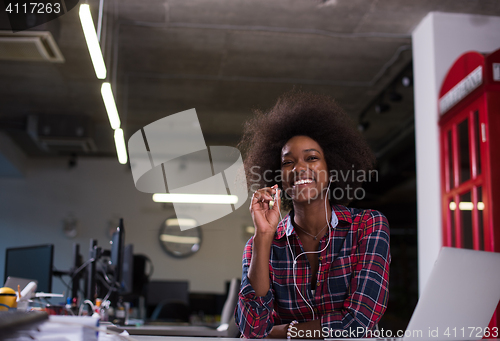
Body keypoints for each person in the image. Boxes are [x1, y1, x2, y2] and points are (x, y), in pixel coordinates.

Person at [234, 91, 390, 339]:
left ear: (333, 168)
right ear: (279, 177)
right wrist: (264, 235)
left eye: (312, 158)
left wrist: (286, 331)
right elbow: (252, 328)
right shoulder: (260, 247)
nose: (299, 168)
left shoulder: (368, 226)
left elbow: (358, 323)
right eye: (287, 162)